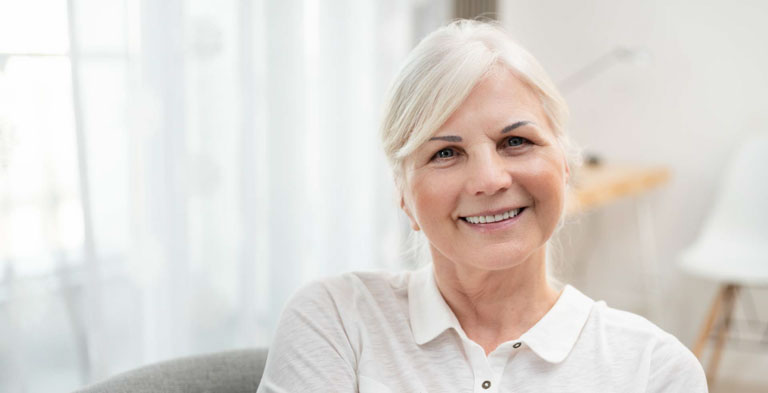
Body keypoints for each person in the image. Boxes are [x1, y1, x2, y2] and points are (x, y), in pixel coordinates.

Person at [257, 20, 707, 393]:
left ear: (566, 167)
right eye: (445, 154)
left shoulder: (655, 371)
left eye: (516, 141)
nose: (490, 180)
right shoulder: (334, 321)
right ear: (404, 196)